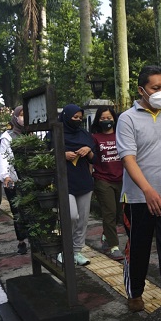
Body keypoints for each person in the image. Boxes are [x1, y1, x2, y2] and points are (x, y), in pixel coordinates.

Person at [116, 65, 161, 312]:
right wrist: (148, 190)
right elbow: (128, 159)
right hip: (138, 199)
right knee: (139, 249)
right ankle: (135, 292)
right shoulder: (127, 119)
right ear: (141, 90)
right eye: (155, 88)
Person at [57, 104, 95, 267]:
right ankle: (65, 249)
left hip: (84, 181)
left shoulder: (84, 134)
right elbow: (46, 156)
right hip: (64, 182)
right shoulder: (55, 134)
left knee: (83, 219)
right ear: (66, 116)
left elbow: (95, 158)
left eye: (80, 118)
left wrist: (88, 150)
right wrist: (62, 154)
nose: (78, 120)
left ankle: (77, 250)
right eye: (75, 117)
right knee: (71, 216)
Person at [91, 106, 124, 261]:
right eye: (103, 118)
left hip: (121, 179)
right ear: (98, 120)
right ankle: (114, 246)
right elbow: (91, 159)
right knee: (109, 212)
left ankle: (106, 237)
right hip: (103, 180)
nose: (106, 121)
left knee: (119, 214)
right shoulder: (94, 138)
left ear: (114, 119)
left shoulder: (121, 135)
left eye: (109, 118)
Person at [0, 105, 28, 255]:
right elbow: (4, 157)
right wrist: (6, 176)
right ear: (15, 117)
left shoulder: (33, 133)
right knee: (18, 212)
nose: (23, 118)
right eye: (21, 115)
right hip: (14, 181)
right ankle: (21, 241)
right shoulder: (7, 137)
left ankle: (36, 238)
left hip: (30, 179)